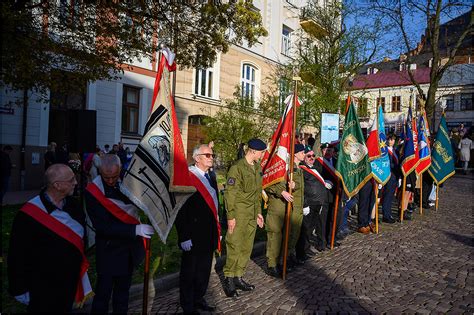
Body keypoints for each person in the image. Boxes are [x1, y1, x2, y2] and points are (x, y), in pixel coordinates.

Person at [8, 164, 92, 312]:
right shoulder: (28, 215)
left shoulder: (74, 205)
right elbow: (17, 255)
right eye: (71, 180)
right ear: (57, 185)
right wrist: (19, 289)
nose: (76, 182)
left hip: (69, 281)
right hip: (43, 286)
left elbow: (81, 238)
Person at [85, 154, 154, 313]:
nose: (110, 181)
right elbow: (102, 227)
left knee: (122, 296)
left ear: (120, 169)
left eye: (114, 176)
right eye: (106, 177)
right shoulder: (93, 191)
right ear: (100, 171)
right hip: (109, 250)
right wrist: (135, 230)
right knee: (102, 297)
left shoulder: (128, 181)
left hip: (128, 249)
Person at [175, 144, 219, 313]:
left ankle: (199, 299)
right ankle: (188, 306)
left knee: (204, 271)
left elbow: (215, 205)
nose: (211, 158)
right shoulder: (187, 176)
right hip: (192, 234)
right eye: (207, 155)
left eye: (212, 155)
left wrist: (217, 229)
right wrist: (183, 236)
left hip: (208, 233)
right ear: (197, 158)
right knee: (189, 273)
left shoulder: (211, 176)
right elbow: (180, 209)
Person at [222, 138, 266, 297]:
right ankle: (229, 278)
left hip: (252, 213)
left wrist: (259, 212)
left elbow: (257, 193)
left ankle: (238, 276)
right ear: (253, 151)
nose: (263, 154)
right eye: (262, 152)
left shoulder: (257, 167)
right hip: (239, 213)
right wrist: (231, 216)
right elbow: (230, 193)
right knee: (234, 245)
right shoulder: (237, 168)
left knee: (246, 247)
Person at [265, 143, 305, 277]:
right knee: (275, 236)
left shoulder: (294, 168)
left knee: (288, 235)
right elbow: (267, 183)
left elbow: (297, 185)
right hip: (276, 205)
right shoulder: (276, 166)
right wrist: (281, 191)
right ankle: (272, 265)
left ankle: (283, 260)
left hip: (289, 206)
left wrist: (294, 185)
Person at [296, 146, 332, 260]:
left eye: (313, 156)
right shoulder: (302, 169)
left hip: (318, 202)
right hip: (309, 203)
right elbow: (303, 189)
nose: (312, 158)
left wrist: (326, 183)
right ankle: (302, 252)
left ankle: (306, 249)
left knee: (310, 228)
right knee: (305, 229)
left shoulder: (316, 167)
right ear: (304, 158)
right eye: (309, 156)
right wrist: (305, 204)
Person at [380, 134, 399, 224]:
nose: (392, 141)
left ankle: (389, 213)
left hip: (395, 176)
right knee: (387, 196)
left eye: (393, 140)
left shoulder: (395, 150)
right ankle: (386, 215)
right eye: (390, 139)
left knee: (391, 196)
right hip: (389, 175)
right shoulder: (385, 150)